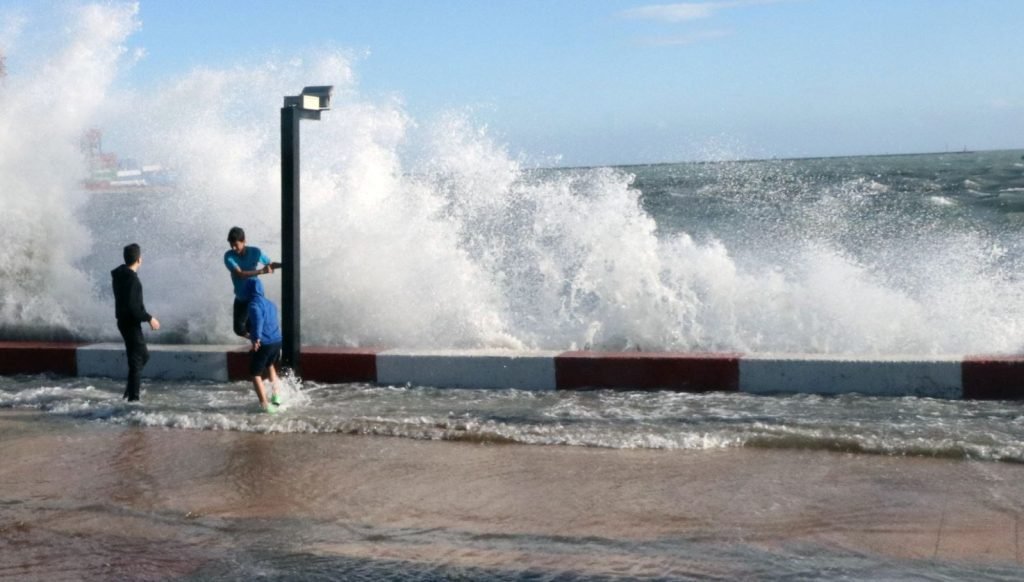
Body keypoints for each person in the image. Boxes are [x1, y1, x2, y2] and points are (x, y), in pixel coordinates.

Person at [111, 243, 160, 402]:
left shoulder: (120, 275)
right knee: (138, 359)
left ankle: (130, 390)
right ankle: (133, 399)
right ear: (139, 259)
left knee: (142, 356)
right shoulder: (132, 280)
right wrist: (150, 318)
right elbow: (133, 307)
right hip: (130, 324)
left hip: (124, 322)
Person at [224, 226, 274, 338]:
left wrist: (279, 266)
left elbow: (270, 264)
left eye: (236, 245)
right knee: (239, 329)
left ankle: (262, 342)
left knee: (254, 326)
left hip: (254, 295)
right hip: (241, 296)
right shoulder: (229, 256)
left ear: (244, 241)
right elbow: (240, 274)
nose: (234, 248)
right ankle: (258, 341)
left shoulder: (255, 252)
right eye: (231, 245)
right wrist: (261, 271)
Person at [243, 277, 283, 412]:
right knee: (270, 365)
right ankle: (277, 396)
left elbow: (258, 321)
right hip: (277, 340)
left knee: (255, 374)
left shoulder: (254, 304)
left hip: (264, 343)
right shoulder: (271, 303)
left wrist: (256, 338)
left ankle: (265, 405)